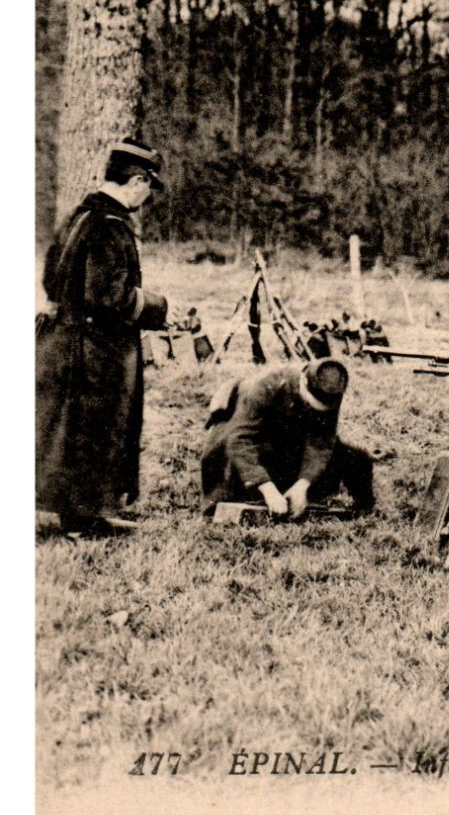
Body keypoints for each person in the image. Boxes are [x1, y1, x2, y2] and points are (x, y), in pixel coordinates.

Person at [37, 139, 172, 536]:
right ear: (136, 180)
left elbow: (51, 278)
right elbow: (108, 296)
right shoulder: (110, 227)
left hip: (65, 342)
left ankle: (82, 515)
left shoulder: (79, 216)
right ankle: (81, 522)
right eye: (148, 186)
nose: (148, 196)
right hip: (95, 351)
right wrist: (157, 306)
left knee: (70, 430)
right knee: (92, 429)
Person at [200, 359, 374, 519]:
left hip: (288, 440)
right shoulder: (265, 385)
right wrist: (267, 488)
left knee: (356, 458)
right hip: (244, 435)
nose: (318, 412)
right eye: (310, 405)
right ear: (304, 382)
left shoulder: (331, 389)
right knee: (226, 462)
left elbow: (321, 442)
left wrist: (302, 484)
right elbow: (240, 441)